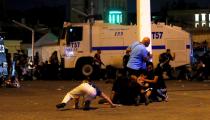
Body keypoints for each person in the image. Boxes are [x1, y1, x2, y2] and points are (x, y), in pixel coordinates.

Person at [126, 37, 152, 105]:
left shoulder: (135, 43)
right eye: (149, 43)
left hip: (129, 66)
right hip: (137, 68)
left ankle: (137, 96)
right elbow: (146, 59)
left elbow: (127, 50)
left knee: (133, 82)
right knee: (141, 82)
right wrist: (150, 57)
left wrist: (133, 55)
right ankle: (141, 96)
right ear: (146, 43)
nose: (149, 45)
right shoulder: (143, 49)